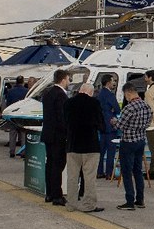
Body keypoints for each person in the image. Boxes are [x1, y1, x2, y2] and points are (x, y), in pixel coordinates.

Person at [65, 83, 106, 212]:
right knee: (89, 177)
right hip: (90, 146)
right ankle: (88, 205)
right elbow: (101, 126)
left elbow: (64, 122)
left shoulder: (68, 103)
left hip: (72, 146)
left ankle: (71, 204)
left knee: (72, 177)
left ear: (80, 90)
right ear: (91, 92)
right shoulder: (94, 103)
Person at [116, 82, 152, 211]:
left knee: (126, 172)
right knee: (138, 171)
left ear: (128, 93)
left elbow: (119, 126)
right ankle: (140, 199)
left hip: (128, 142)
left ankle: (129, 201)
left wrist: (114, 121)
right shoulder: (146, 106)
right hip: (140, 141)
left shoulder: (129, 108)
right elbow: (148, 124)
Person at [41, 68, 70, 206]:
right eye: (68, 79)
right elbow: (62, 117)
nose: (69, 82)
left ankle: (49, 193)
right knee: (58, 165)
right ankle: (57, 196)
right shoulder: (61, 95)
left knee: (50, 164)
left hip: (48, 134)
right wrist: (67, 132)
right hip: (58, 135)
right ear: (63, 79)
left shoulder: (47, 93)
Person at [96, 75, 121, 178]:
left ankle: (99, 171)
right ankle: (109, 173)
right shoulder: (110, 95)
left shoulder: (99, 94)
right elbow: (117, 108)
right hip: (110, 125)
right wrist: (113, 111)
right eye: (112, 81)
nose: (114, 83)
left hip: (101, 125)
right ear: (108, 82)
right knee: (111, 150)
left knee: (101, 151)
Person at [3, 75, 28, 158]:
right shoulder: (26, 91)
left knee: (12, 134)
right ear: (23, 82)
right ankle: (23, 152)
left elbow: (8, 103)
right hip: (22, 115)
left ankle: (12, 152)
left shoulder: (10, 91)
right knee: (23, 134)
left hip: (13, 115)